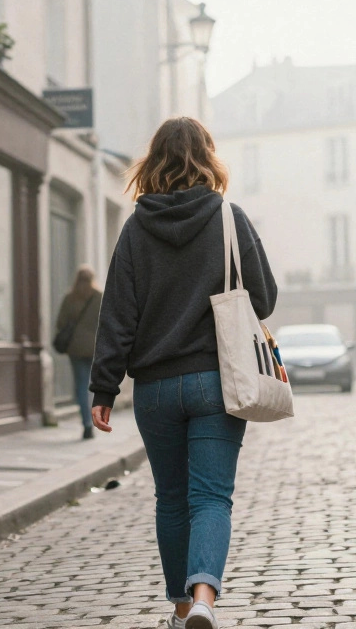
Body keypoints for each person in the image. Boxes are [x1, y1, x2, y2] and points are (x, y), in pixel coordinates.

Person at [89, 117, 277, 629]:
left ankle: (177, 612)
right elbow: (264, 298)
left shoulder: (135, 228)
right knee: (211, 497)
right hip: (218, 379)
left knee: (171, 499)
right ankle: (203, 602)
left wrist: (104, 386)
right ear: (208, 157)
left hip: (153, 388)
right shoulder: (227, 217)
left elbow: (117, 313)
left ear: (154, 162)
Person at [54, 265, 102, 440]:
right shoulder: (99, 297)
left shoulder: (70, 298)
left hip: (75, 348)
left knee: (81, 386)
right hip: (94, 348)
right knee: (91, 385)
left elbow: (60, 323)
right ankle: (93, 421)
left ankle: (87, 424)